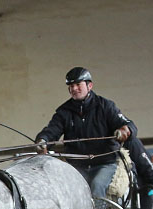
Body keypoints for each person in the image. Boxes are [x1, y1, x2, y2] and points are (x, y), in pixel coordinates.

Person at [35, 67, 136, 199]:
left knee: (97, 185)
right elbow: (52, 131)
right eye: (71, 86)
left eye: (78, 84)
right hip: (77, 165)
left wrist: (124, 131)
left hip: (105, 163)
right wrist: (43, 140)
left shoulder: (106, 106)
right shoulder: (63, 111)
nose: (74, 88)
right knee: (71, 192)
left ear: (90, 85)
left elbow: (128, 125)